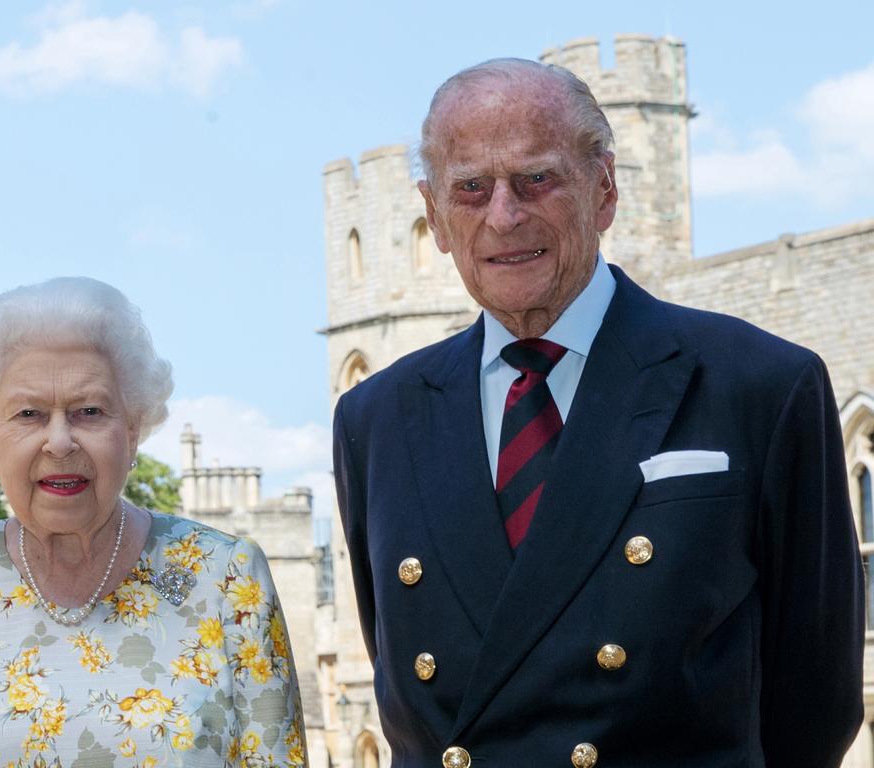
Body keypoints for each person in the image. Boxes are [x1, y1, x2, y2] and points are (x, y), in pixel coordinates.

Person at [333, 58, 864, 768]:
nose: (503, 215)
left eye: (536, 179)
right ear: (432, 216)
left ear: (605, 191)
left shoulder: (761, 386)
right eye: (470, 189)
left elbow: (816, 706)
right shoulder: (376, 417)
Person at [0, 277, 307, 767]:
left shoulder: (227, 575)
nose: (59, 442)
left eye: (90, 411)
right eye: (30, 413)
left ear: (133, 430)